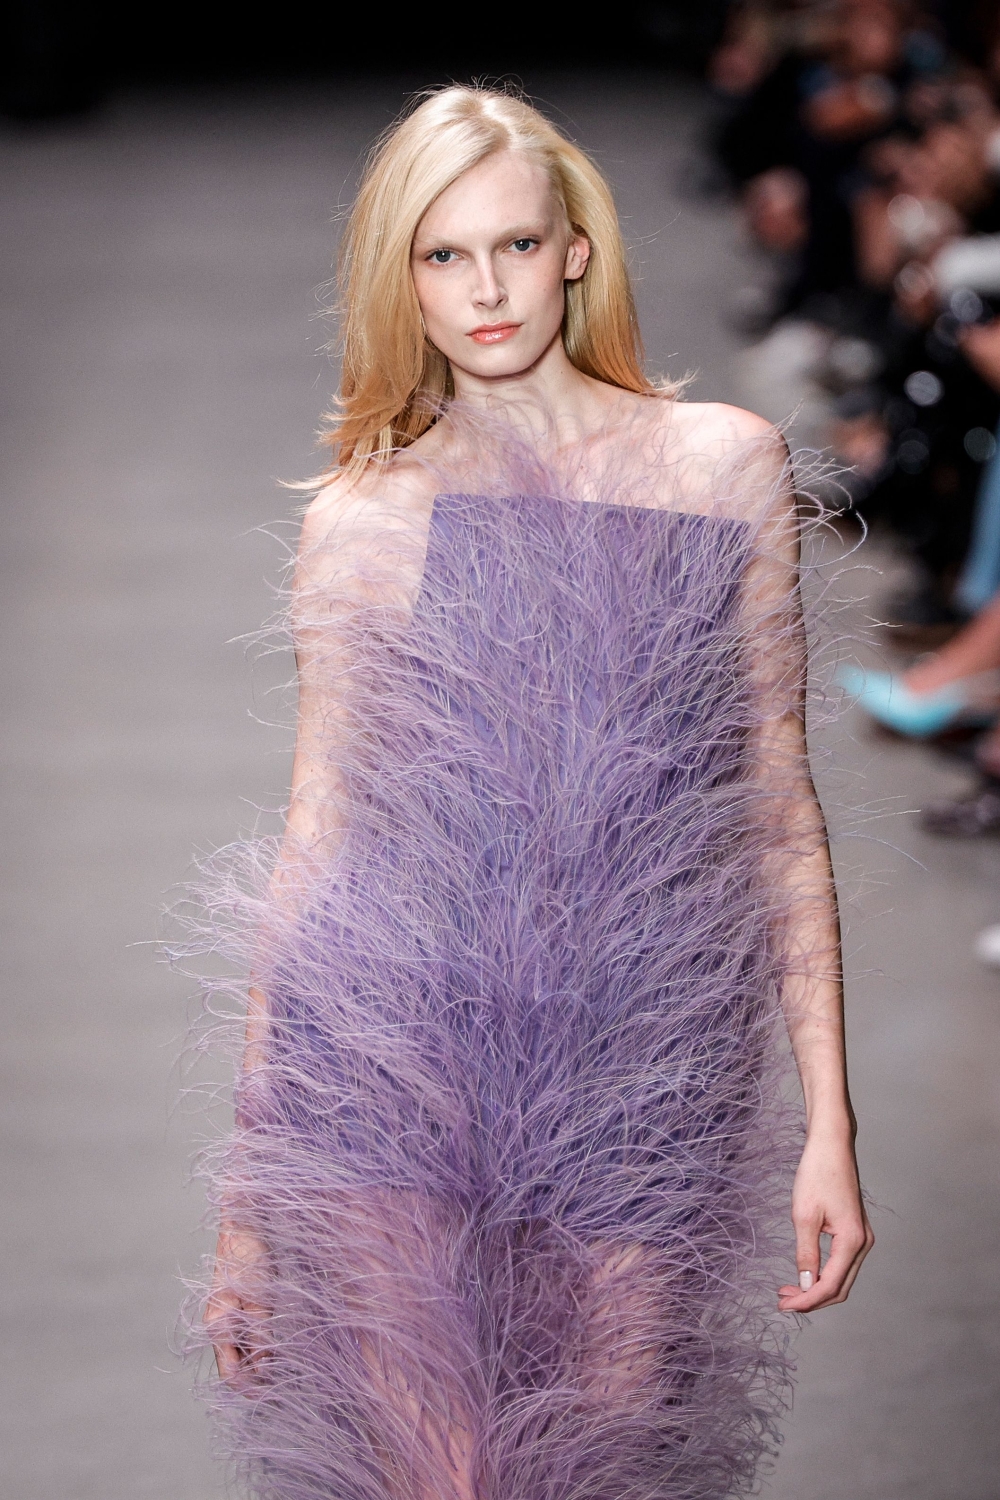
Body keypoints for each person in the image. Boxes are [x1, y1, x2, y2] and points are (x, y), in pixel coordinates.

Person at [195, 86, 872, 1500]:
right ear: (402, 278)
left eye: (512, 245)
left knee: (610, 1454)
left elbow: (774, 808)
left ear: (577, 248)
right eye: (442, 257)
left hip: (646, 1053)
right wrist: (249, 1206)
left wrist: (830, 1125)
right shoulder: (365, 518)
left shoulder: (720, 470)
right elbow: (321, 840)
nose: (485, 289)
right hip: (394, 1050)